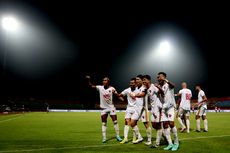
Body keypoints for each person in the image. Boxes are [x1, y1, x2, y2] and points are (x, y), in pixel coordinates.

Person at [86, 76, 122, 143]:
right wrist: (88, 80)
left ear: (108, 82)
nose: (104, 81)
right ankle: (104, 138)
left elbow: (117, 94)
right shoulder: (100, 87)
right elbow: (91, 86)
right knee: (104, 123)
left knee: (115, 122)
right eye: (103, 80)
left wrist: (121, 98)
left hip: (111, 108)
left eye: (105, 80)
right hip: (103, 108)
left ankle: (118, 136)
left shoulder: (112, 88)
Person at [157, 72, 179, 151]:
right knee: (165, 125)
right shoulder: (161, 86)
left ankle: (176, 143)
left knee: (171, 123)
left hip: (170, 107)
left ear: (163, 77)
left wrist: (166, 80)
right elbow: (162, 95)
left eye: (159, 77)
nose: (158, 78)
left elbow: (173, 85)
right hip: (164, 107)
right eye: (158, 77)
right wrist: (159, 88)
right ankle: (170, 143)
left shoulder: (168, 84)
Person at [142, 75, 165, 148]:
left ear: (149, 80)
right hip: (153, 109)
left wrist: (158, 87)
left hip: (158, 108)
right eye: (143, 80)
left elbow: (162, 92)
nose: (143, 81)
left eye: (145, 80)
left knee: (157, 125)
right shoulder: (147, 89)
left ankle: (157, 143)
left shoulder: (153, 87)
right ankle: (166, 137)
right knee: (154, 125)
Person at [129, 75, 151, 145]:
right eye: (136, 79)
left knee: (146, 125)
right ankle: (139, 137)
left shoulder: (144, 87)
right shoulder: (137, 88)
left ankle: (149, 140)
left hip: (143, 109)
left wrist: (134, 95)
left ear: (142, 80)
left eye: (138, 79)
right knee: (132, 123)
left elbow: (143, 94)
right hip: (137, 109)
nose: (136, 81)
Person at [119, 78, 141, 144]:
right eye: (130, 83)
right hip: (129, 108)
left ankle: (135, 137)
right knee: (126, 122)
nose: (131, 84)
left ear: (136, 83)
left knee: (133, 124)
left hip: (136, 109)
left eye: (132, 83)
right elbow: (120, 95)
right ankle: (125, 138)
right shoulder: (127, 90)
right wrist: (122, 99)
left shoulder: (139, 90)